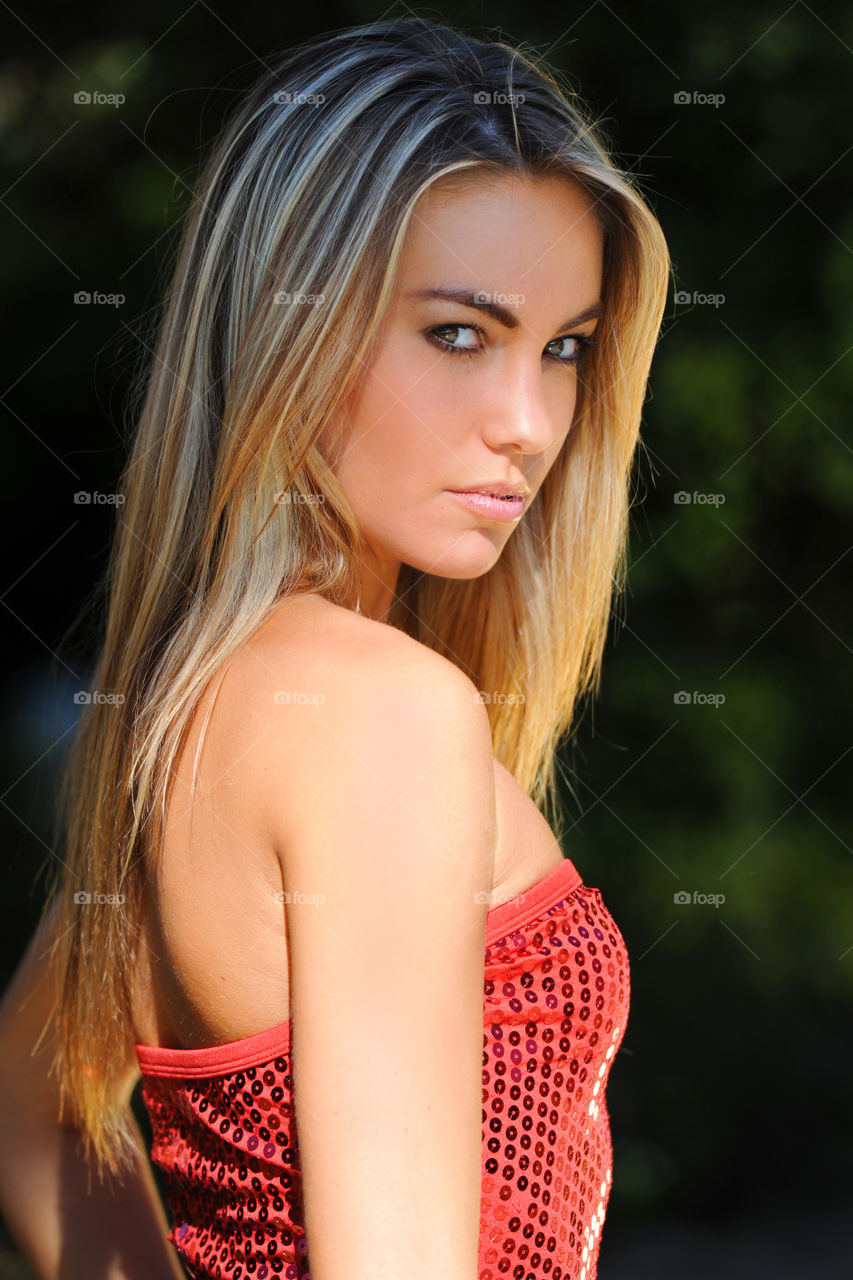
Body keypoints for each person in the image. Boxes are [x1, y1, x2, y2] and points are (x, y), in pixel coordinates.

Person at [0, 15, 669, 1280]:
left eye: (565, 348)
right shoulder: (382, 712)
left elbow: (30, 1108)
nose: (529, 423)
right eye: (458, 333)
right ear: (286, 325)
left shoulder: (180, 709)